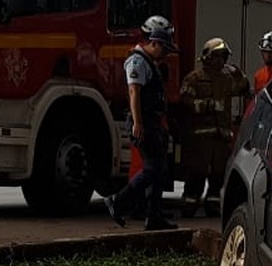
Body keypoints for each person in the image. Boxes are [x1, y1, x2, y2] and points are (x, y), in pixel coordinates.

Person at [105, 15, 178, 231]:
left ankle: (154, 216)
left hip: (152, 122)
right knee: (153, 169)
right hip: (143, 122)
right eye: (163, 48)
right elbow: (134, 91)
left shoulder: (151, 63)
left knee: (159, 169)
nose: (165, 54)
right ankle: (117, 201)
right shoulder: (137, 61)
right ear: (153, 42)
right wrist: (138, 123)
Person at [178, 37, 248, 217]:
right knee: (196, 175)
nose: (221, 61)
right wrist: (208, 105)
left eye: (223, 57)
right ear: (207, 57)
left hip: (221, 139)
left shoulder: (226, 78)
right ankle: (189, 206)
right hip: (200, 139)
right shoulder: (194, 78)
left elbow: (243, 88)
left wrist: (238, 72)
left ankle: (213, 206)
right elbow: (185, 102)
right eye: (217, 56)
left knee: (217, 177)